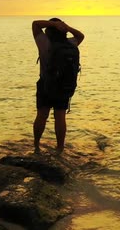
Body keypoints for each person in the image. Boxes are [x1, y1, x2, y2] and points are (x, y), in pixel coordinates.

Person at [32, 18, 84, 154]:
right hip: (64, 86)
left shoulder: (44, 42)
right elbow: (81, 35)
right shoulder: (70, 43)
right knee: (60, 116)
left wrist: (54, 24)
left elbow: (35, 24)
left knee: (42, 115)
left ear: (48, 31)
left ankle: (36, 146)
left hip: (46, 84)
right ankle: (60, 148)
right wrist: (67, 27)